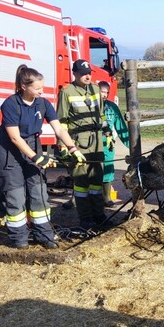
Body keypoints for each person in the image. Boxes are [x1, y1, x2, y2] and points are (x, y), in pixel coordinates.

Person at [0, 64, 85, 249]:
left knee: (39, 194)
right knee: (16, 196)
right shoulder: (11, 104)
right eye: (37, 88)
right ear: (23, 86)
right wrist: (37, 157)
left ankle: (44, 235)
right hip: (10, 153)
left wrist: (73, 148)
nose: (41, 92)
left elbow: (59, 128)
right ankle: (19, 238)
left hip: (33, 147)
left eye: (42, 87)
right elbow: (14, 137)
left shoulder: (43, 104)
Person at [56, 59, 106, 230]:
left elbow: (102, 113)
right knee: (81, 183)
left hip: (97, 140)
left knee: (96, 181)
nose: (87, 76)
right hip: (78, 142)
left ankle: (99, 215)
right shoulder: (67, 92)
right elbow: (61, 121)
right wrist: (63, 146)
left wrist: (108, 132)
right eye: (83, 73)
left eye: (89, 73)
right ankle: (85, 218)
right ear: (75, 74)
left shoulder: (96, 88)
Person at [99, 81, 129, 207]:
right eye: (102, 92)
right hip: (90, 145)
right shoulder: (89, 106)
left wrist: (132, 146)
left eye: (107, 92)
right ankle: (75, 199)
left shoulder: (112, 108)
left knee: (108, 169)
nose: (104, 95)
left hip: (107, 145)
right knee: (83, 170)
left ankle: (106, 198)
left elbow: (121, 127)